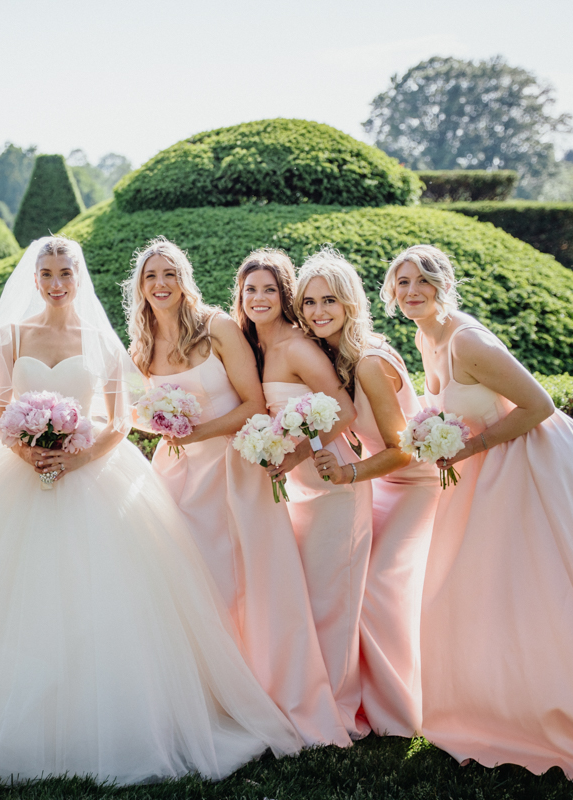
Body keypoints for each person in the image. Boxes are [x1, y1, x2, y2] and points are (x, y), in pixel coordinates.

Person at [0, 236, 304, 784]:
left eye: (65, 274)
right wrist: (24, 447)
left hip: (92, 472)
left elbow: (121, 421)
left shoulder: (102, 340)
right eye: (47, 274)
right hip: (15, 474)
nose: (56, 284)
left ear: (79, 278)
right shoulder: (11, 335)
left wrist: (76, 460)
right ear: (36, 280)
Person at [386, 244, 573, 788]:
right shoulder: (422, 335)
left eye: (422, 281)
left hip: (541, 464)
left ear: (442, 284)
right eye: (401, 283)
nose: (411, 292)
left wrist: (467, 447)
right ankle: (501, 711)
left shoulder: (467, 341)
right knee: (484, 590)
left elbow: (540, 405)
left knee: (552, 592)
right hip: (492, 467)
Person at [123, 236, 348, 747]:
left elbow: (253, 404)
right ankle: (202, 695)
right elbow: (140, 411)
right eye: (151, 276)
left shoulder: (218, 326)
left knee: (247, 583)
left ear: (185, 280)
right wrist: (157, 423)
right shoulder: (140, 346)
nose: (160, 284)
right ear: (139, 286)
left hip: (232, 468)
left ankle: (266, 689)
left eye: (170, 274)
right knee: (186, 586)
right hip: (175, 477)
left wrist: (193, 432)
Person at [292, 248, 440, 737]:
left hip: (411, 484)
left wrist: (351, 475)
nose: (317, 312)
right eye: (309, 302)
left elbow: (405, 450)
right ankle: (366, 699)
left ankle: (400, 712)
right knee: (352, 582)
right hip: (379, 482)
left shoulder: (371, 362)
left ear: (350, 303)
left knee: (375, 586)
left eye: (328, 300)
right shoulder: (331, 356)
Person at [234, 248, 372, 736]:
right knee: (305, 599)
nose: (259, 298)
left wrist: (292, 457)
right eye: (251, 289)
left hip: (332, 485)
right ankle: (300, 693)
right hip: (297, 491)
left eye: (270, 289)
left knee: (332, 601)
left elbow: (346, 412)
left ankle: (334, 708)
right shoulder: (255, 349)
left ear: (284, 295)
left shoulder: (296, 346)